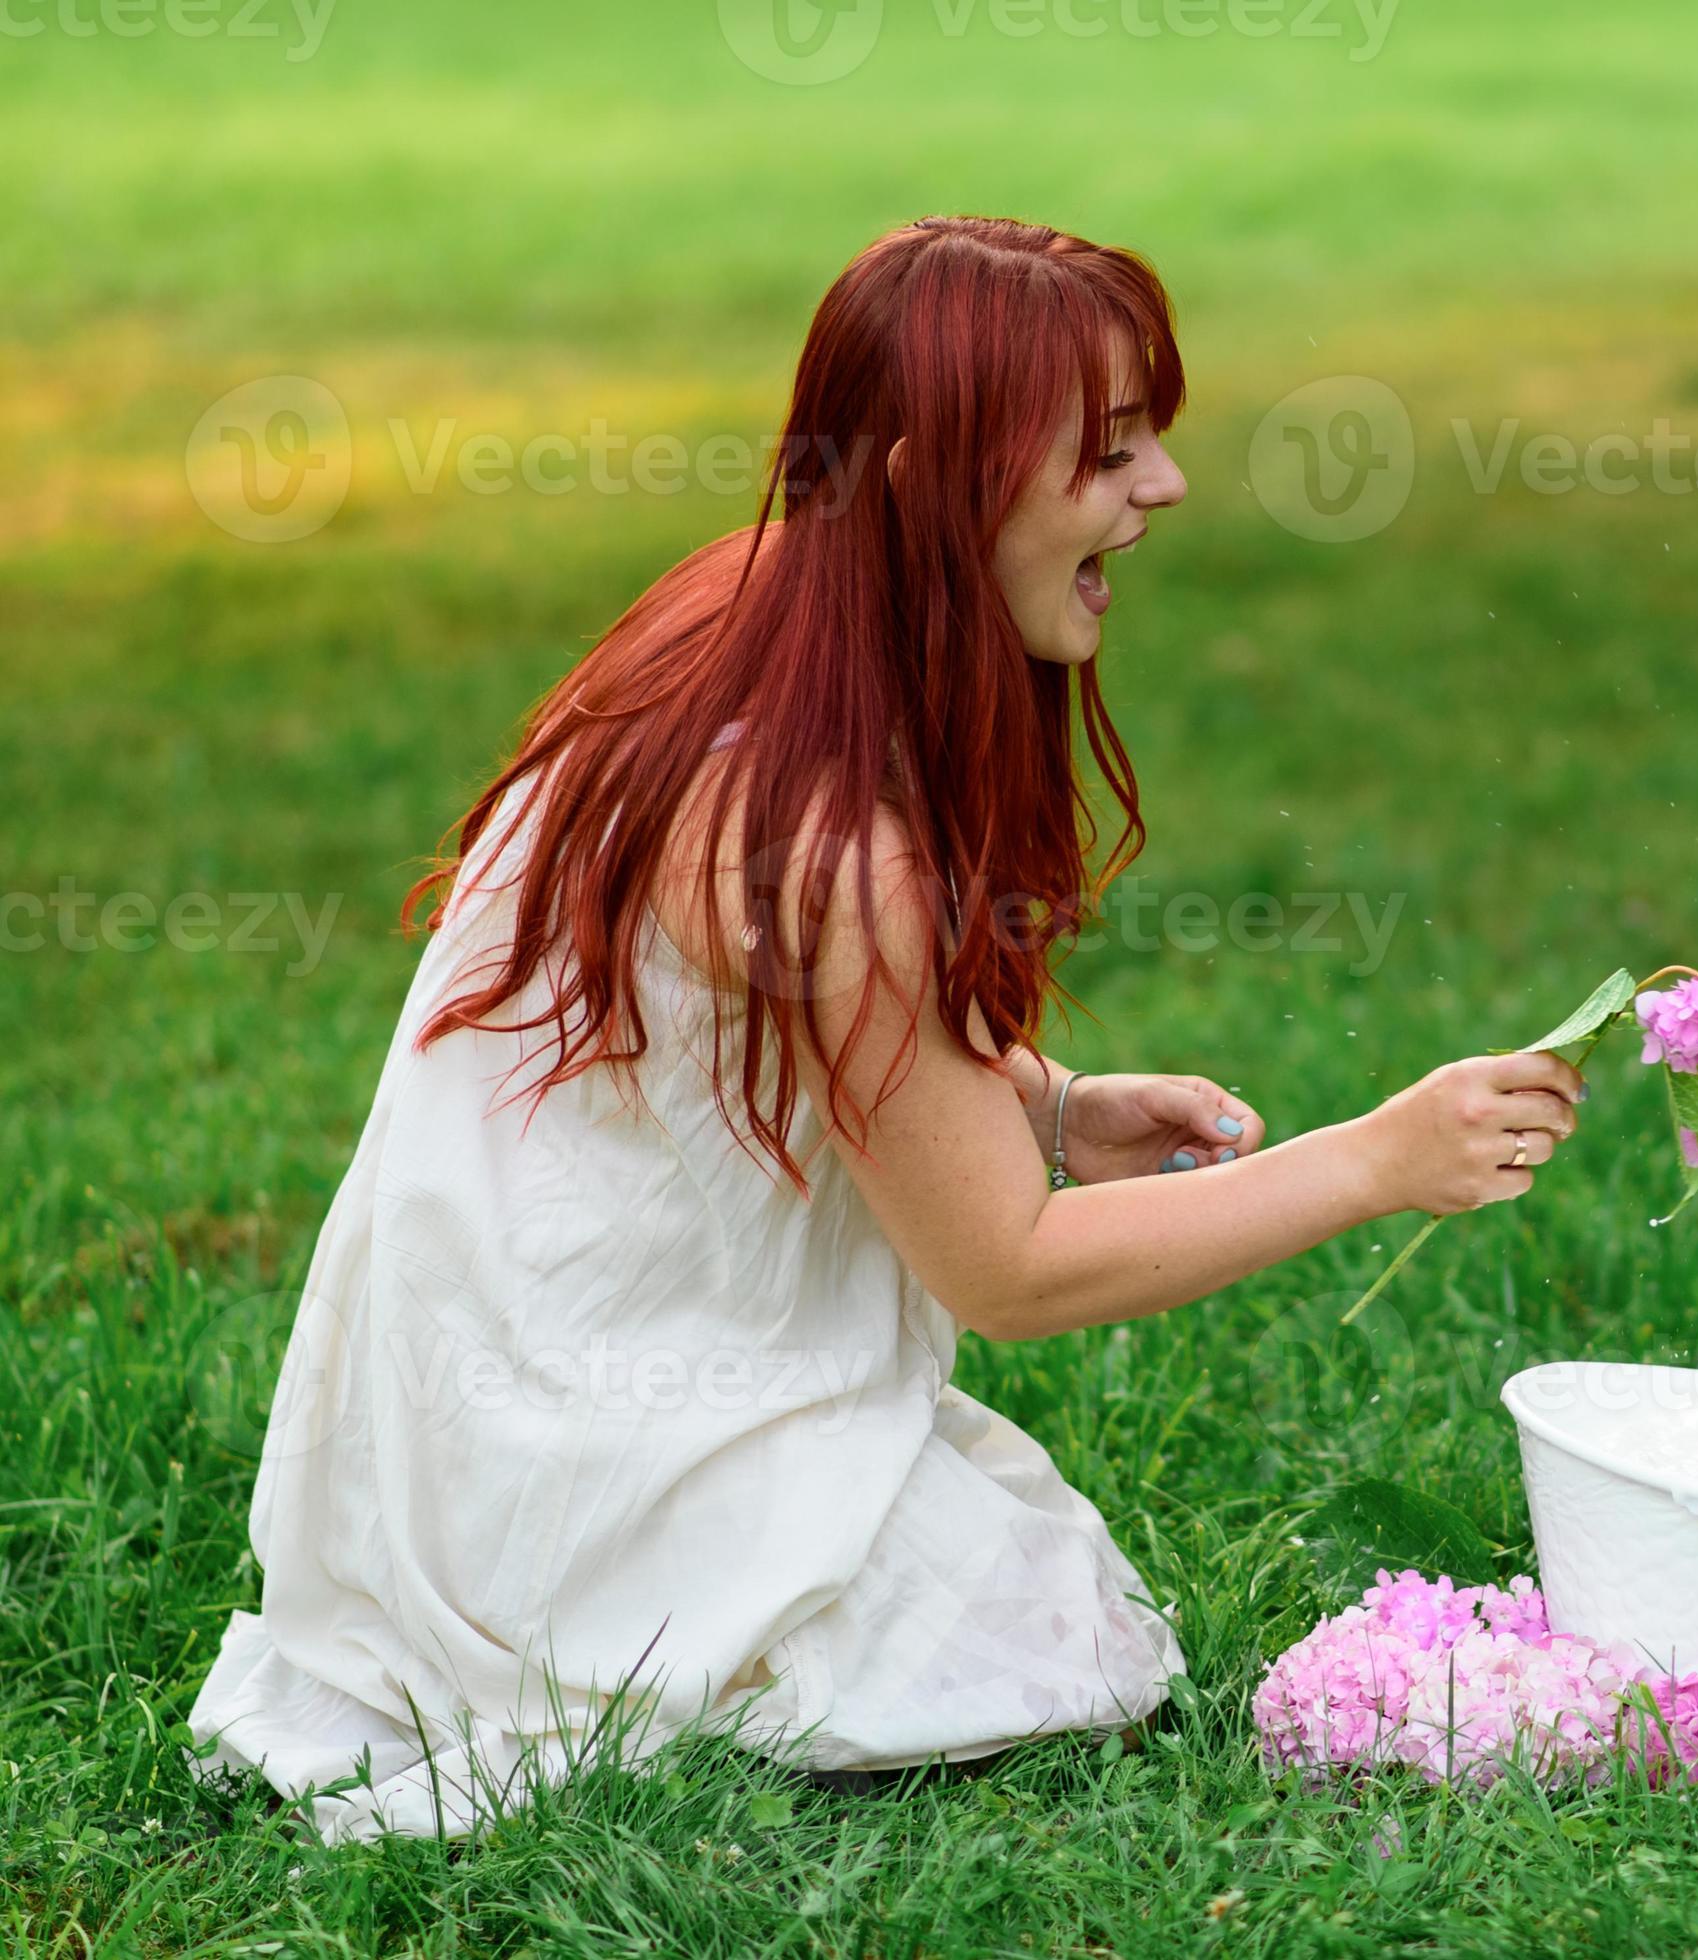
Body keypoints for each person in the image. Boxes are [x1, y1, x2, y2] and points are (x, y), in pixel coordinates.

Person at [183, 215, 1586, 1843]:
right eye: (1112, 451)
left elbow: (735, 1047)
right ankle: (607, 1616)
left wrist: (1048, 1103)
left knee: (1009, 1583)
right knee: (1047, 1641)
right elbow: (1008, 1272)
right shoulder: (820, 829)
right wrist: (1380, 1159)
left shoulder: (750, 610)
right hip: (571, 1451)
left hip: (470, 1406)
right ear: (940, 483)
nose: (1166, 489)